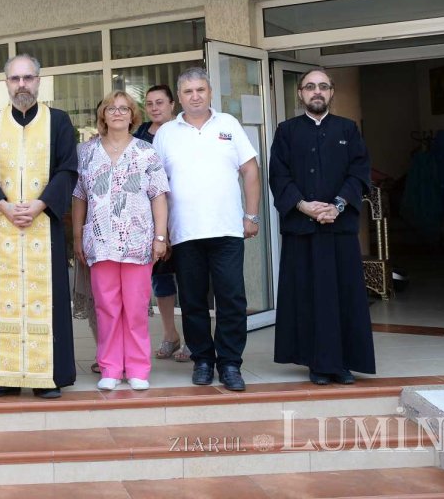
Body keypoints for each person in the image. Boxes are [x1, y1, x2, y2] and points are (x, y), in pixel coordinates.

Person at [0, 54, 78, 399]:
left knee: (46, 297)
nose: (22, 85)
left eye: (28, 78)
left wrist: (40, 205)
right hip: (2, 226)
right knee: (0, 299)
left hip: (43, 224)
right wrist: (2, 206)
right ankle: (2, 375)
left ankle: (45, 375)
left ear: (39, 81)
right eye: (15, 79)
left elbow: (67, 169)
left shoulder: (59, 122)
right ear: (6, 83)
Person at [155, 67, 261, 392]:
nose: (195, 96)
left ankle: (230, 363)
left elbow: (250, 169)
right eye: (188, 92)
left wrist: (251, 216)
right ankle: (202, 359)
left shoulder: (228, 124)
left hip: (228, 230)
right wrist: (162, 232)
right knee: (192, 300)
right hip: (185, 233)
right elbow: (157, 186)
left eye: (201, 90)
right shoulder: (166, 133)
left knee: (231, 299)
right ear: (180, 97)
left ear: (211, 92)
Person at [270, 69, 374, 385]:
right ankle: (316, 362)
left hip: (339, 229)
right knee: (308, 296)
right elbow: (279, 175)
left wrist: (337, 205)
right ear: (300, 93)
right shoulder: (286, 131)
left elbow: (359, 173)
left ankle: (342, 363)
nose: (317, 92)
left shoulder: (348, 129)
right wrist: (304, 206)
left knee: (342, 296)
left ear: (331, 92)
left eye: (323, 87)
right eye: (311, 87)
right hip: (302, 230)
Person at [72, 92, 170, 391]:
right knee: (107, 308)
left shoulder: (146, 152)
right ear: (103, 115)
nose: (117, 113)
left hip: (138, 242)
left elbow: (159, 196)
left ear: (132, 115)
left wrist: (161, 237)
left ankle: (138, 368)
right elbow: (79, 197)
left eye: (124, 108)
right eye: (111, 108)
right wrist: (77, 237)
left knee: (136, 308)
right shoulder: (86, 152)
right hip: (100, 242)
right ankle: (111, 367)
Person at [134, 85, 190, 363]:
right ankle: (171, 335)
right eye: (149, 103)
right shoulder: (139, 135)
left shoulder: (184, 131)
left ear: (172, 105)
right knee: (162, 280)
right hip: (153, 220)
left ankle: (193, 340)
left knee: (190, 279)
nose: (154, 108)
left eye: (160, 102)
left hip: (185, 215)